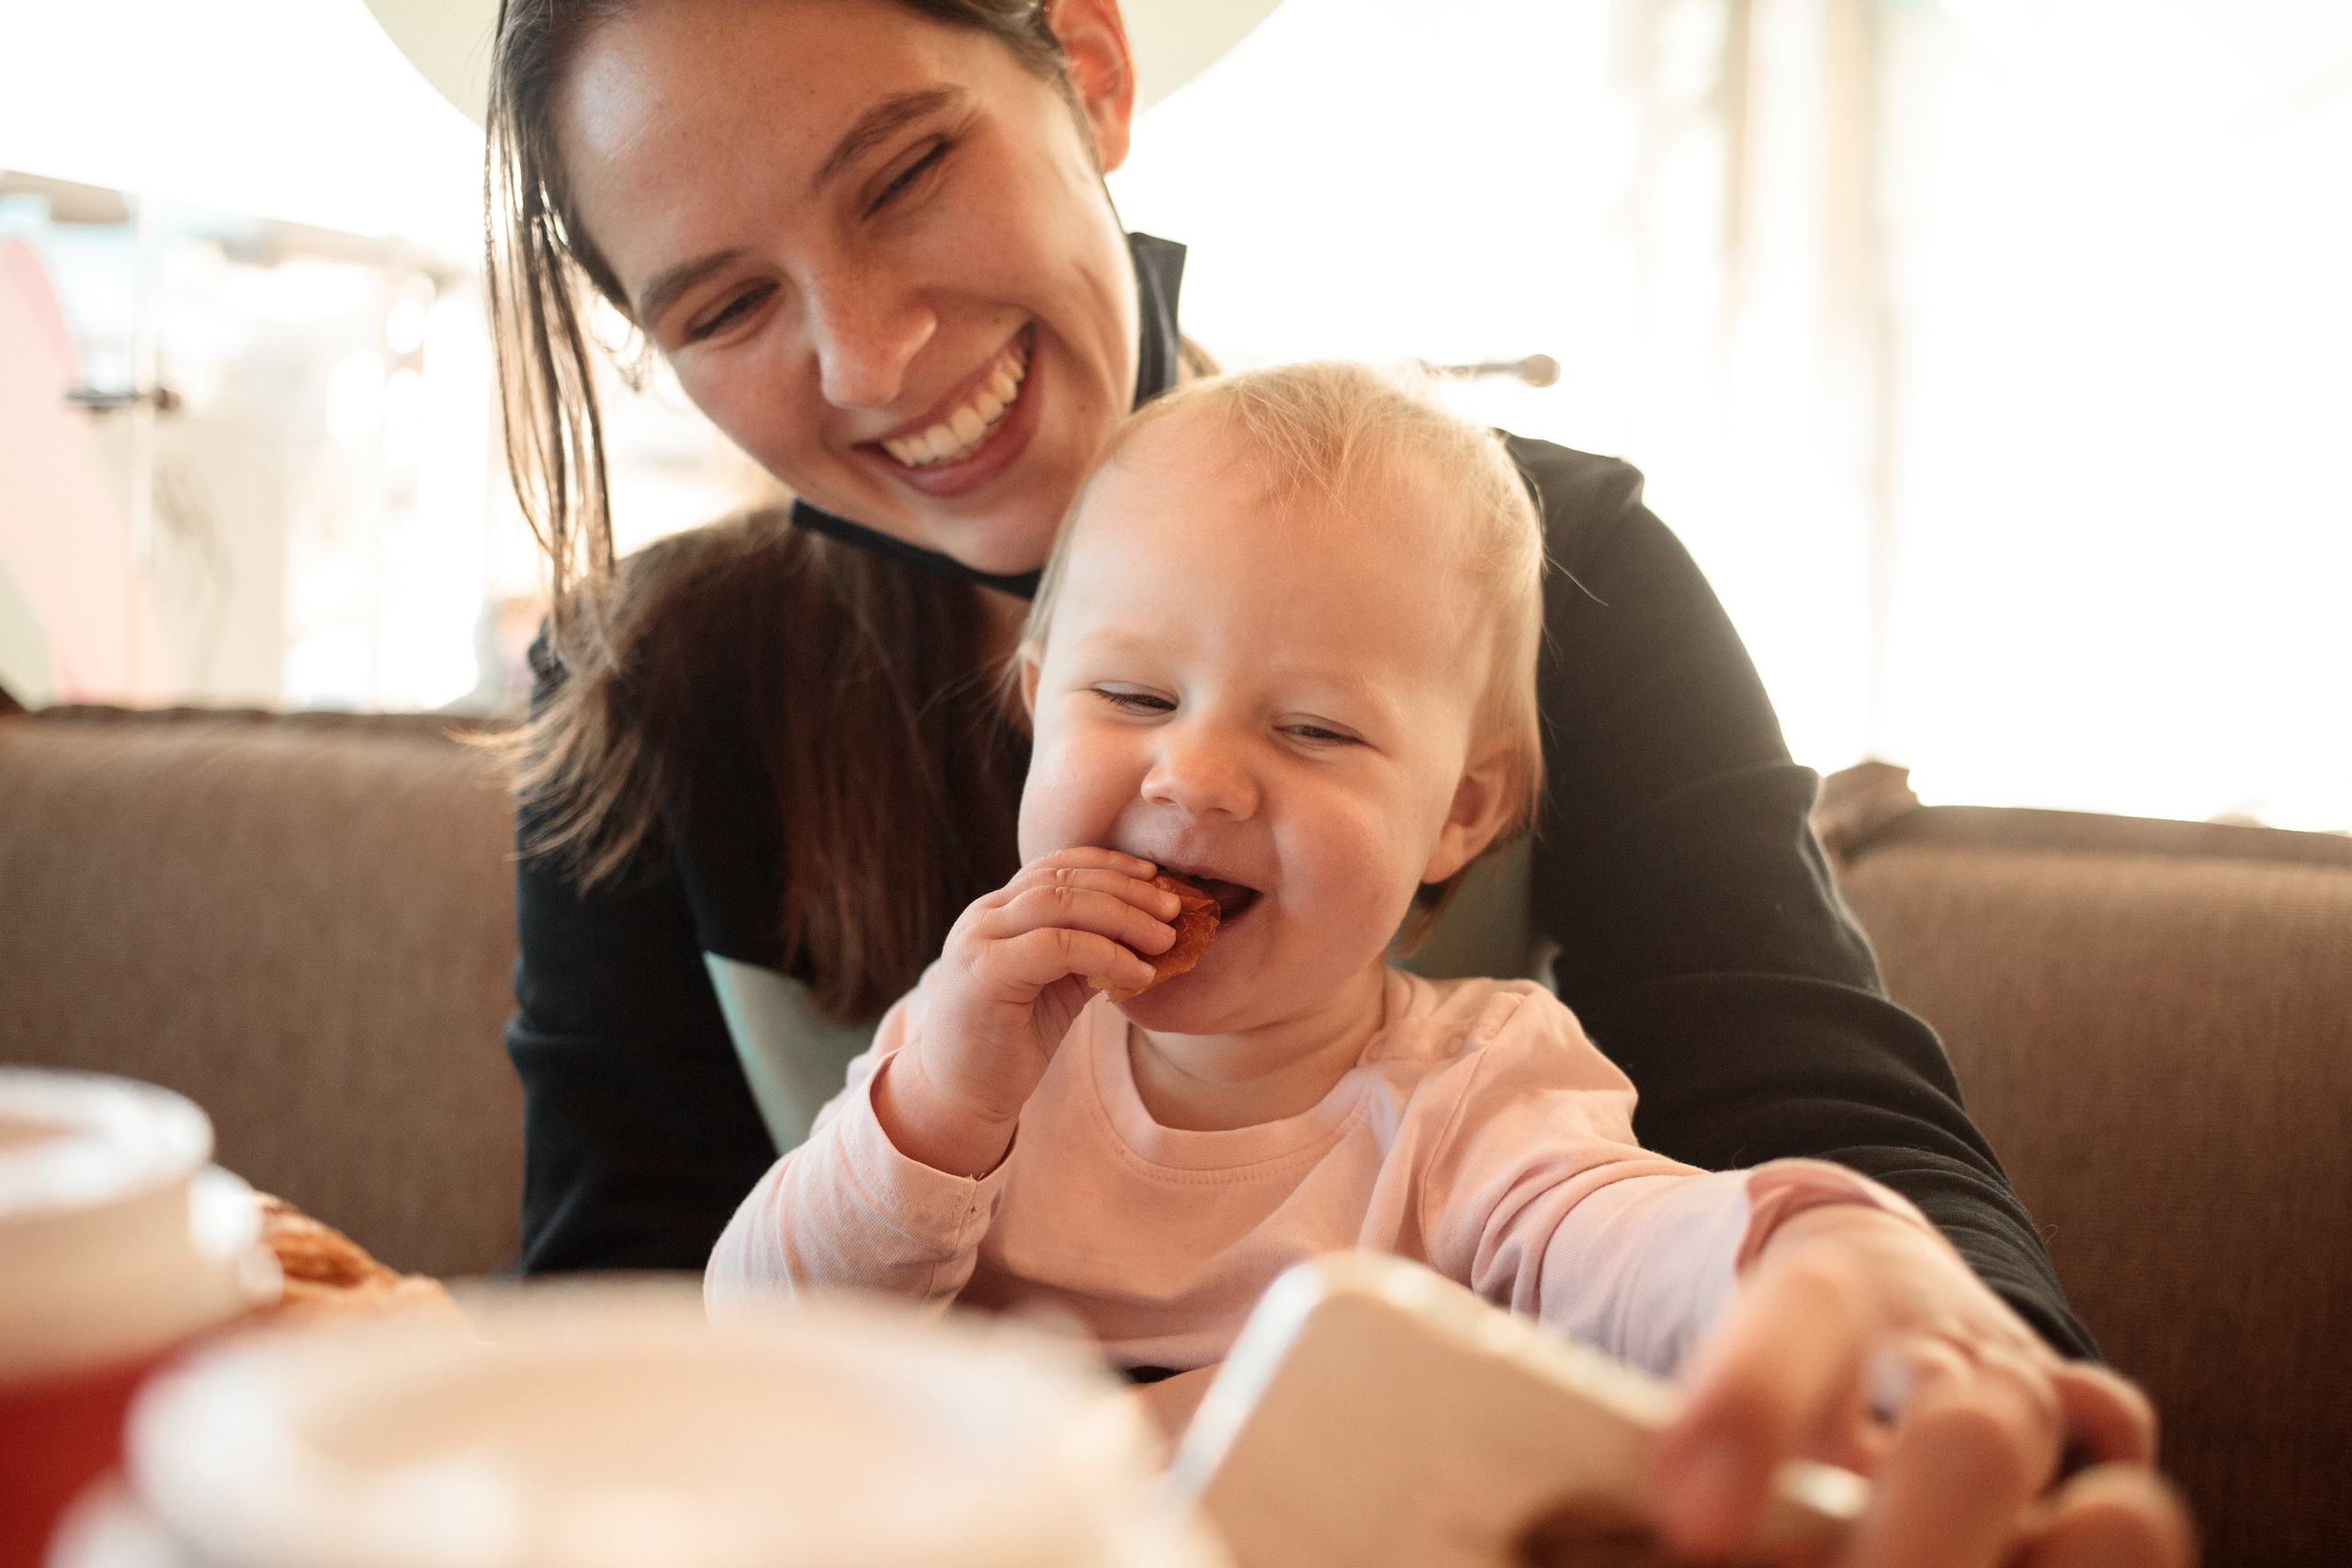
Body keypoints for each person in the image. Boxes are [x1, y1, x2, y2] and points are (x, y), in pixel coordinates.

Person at [487, 1, 2191, 1561]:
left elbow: (1785, 1117)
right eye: (722, 303)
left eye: (909, 170)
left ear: (1089, 66)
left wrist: (1926, 1348)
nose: (872, 355)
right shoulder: (654, 700)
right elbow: (617, 1343)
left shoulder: (1552, 583)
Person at [707, 361, 1949, 1438]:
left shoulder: (1474, 1092)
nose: (1191, 774)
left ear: (1459, 813)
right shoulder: (974, 1034)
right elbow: (755, 1340)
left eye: (1311, 728)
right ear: (1037, 702)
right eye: (1135, 697)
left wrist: (1805, 1256)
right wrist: (933, 1111)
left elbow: (1626, 1248)